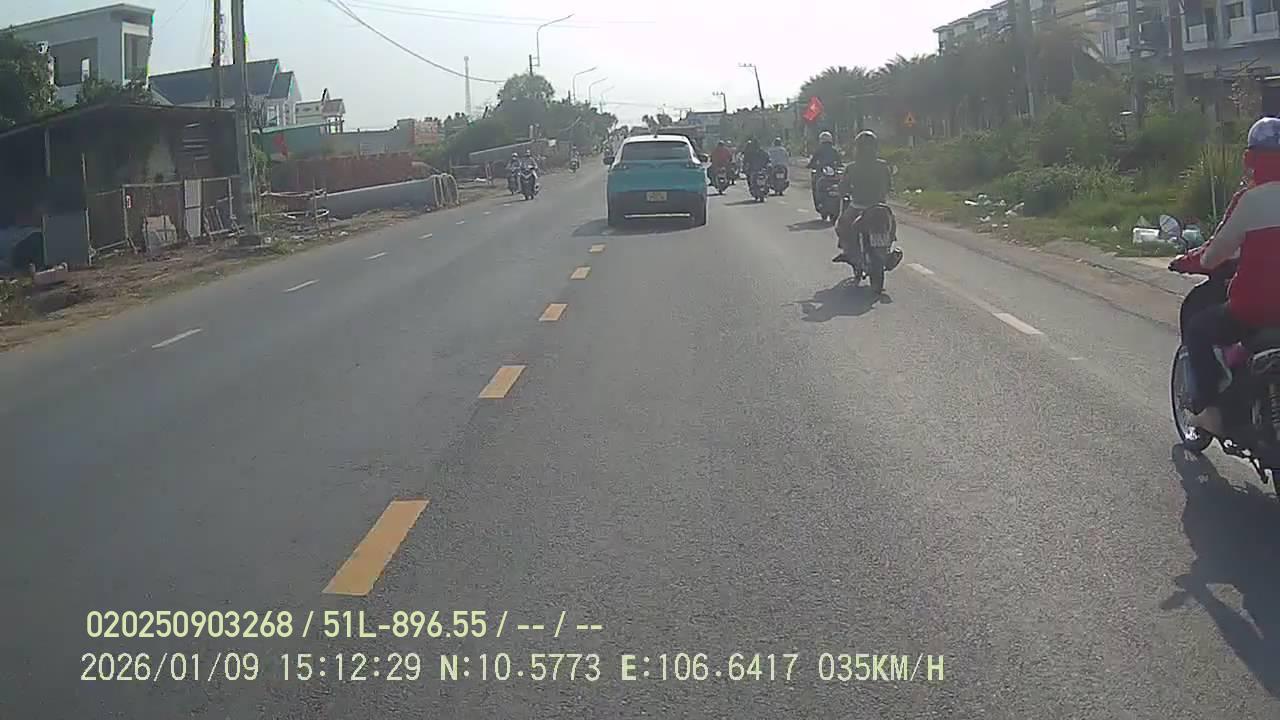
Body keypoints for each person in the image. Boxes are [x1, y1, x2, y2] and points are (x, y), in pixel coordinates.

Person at [1183, 116, 1280, 437]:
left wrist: (1188, 261)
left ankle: (1211, 412)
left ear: (1250, 158)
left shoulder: (1249, 200)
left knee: (1198, 330)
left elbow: (1213, 256)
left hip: (1252, 309)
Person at [833, 130, 894, 263]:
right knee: (890, 222)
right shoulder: (883, 165)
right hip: (880, 206)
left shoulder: (851, 167)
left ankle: (848, 252)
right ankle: (887, 251)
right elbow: (889, 185)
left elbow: (843, 187)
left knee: (842, 225)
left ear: (857, 148)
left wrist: (842, 191)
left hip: (858, 207)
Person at [807, 131, 843, 207]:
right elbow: (840, 162)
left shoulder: (819, 150)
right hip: (832, 173)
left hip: (822, 172)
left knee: (816, 183)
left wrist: (810, 165)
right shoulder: (834, 150)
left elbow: (813, 161)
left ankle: (819, 201)